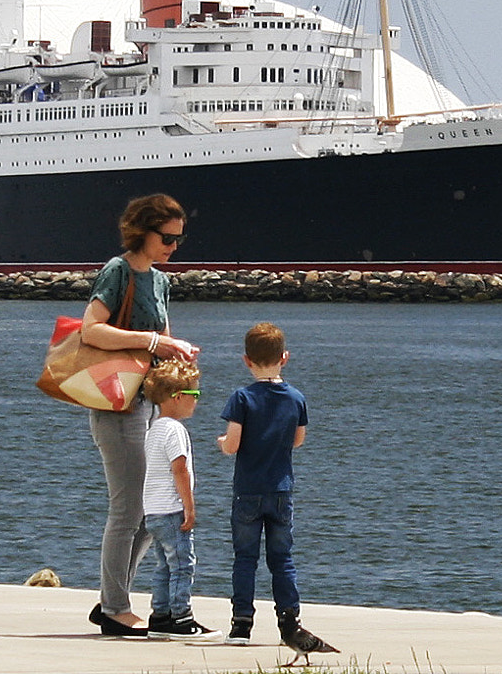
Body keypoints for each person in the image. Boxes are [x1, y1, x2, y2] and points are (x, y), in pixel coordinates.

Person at [82, 193, 200, 637]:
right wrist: (153, 343)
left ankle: (119, 602)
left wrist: (178, 354)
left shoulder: (160, 281)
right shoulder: (118, 271)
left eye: (178, 239)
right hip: (117, 405)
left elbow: (161, 340)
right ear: (142, 231)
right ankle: (114, 607)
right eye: (167, 237)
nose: (173, 246)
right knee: (128, 509)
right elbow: (91, 328)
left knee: (153, 510)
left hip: (150, 404)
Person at [216, 322, 337, 660]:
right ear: (285, 358)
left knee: (245, 558)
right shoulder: (296, 398)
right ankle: (289, 621)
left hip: (248, 491)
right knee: (282, 559)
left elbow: (233, 443)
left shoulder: (242, 398)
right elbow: (298, 440)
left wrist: (224, 445)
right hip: (281, 490)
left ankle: (242, 624)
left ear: (246, 360)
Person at [140, 358, 212, 639]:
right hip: (172, 510)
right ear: (178, 397)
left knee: (164, 566)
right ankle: (182, 618)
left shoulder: (154, 428)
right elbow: (179, 469)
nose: (197, 401)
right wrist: (189, 508)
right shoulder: (175, 430)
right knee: (183, 564)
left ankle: (160, 616)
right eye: (195, 395)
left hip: (153, 511)